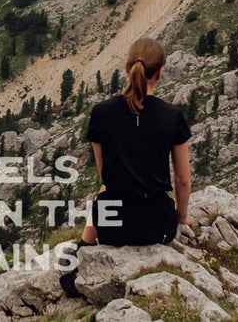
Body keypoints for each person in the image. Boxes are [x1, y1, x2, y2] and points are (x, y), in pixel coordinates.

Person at [60, 36, 192, 296]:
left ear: (126, 68)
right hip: (158, 225)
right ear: (161, 72)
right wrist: (182, 216)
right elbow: (183, 180)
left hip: (112, 225)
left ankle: (82, 253)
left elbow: (106, 176)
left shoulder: (101, 113)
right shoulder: (172, 117)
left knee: (105, 193)